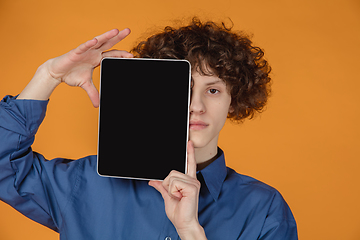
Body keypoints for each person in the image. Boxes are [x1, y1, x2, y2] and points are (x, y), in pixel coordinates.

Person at [0, 18, 298, 239]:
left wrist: (190, 230)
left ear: (234, 101)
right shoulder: (85, 184)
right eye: (185, 87)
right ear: (155, 92)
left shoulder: (264, 208)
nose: (196, 105)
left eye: (213, 90)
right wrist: (49, 74)